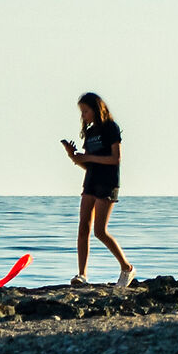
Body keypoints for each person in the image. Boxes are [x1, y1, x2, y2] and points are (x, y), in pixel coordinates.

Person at [62, 90, 133, 289]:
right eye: (82, 112)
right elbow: (87, 164)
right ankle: (82, 274)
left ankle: (126, 267)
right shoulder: (90, 132)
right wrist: (73, 155)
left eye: (85, 111)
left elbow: (115, 159)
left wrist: (88, 158)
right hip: (91, 181)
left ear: (95, 109)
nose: (83, 116)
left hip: (108, 183)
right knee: (83, 226)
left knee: (100, 231)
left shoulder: (111, 127)